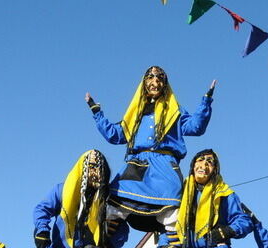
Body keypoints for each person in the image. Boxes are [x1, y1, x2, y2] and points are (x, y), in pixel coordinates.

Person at [86, 66, 215, 232]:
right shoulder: (136, 114)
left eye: (160, 79)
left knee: (172, 204)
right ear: (144, 83)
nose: (155, 82)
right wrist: (96, 112)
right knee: (115, 198)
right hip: (137, 164)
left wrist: (206, 101)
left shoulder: (175, 111)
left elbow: (195, 127)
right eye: (151, 78)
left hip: (165, 165)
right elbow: (115, 135)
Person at [32, 150, 129, 248]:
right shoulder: (63, 190)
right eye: (91, 167)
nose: (95, 172)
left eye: (100, 168)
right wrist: (42, 230)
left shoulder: (109, 200)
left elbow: (122, 228)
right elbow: (42, 209)